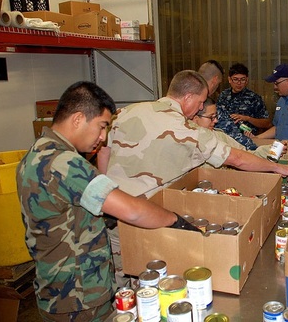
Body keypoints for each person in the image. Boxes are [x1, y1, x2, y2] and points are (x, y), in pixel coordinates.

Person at [16, 81, 199, 322]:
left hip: (56, 290)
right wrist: (176, 221)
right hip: (79, 296)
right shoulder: (64, 163)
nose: (103, 138)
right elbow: (131, 211)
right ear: (78, 118)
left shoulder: (37, 153)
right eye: (102, 127)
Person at [106, 69, 288, 199]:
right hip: (148, 208)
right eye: (201, 102)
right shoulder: (187, 130)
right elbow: (237, 159)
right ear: (187, 97)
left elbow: (104, 152)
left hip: (115, 202)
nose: (201, 107)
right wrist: (278, 168)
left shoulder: (126, 111)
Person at [215, 63, 272, 150]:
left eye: (242, 79)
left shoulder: (254, 98)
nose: (239, 83)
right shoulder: (223, 96)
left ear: (247, 80)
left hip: (247, 142)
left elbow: (266, 123)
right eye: (235, 79)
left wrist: (248, 119)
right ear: (229, 79)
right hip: (226, 141)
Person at [193, 97, 271, 160]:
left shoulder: (220, 136)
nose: (216, 121)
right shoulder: (188, 140)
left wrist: (273, 149)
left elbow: (245, 154)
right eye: (211, 117)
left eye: (216, 116)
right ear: (195, 119)